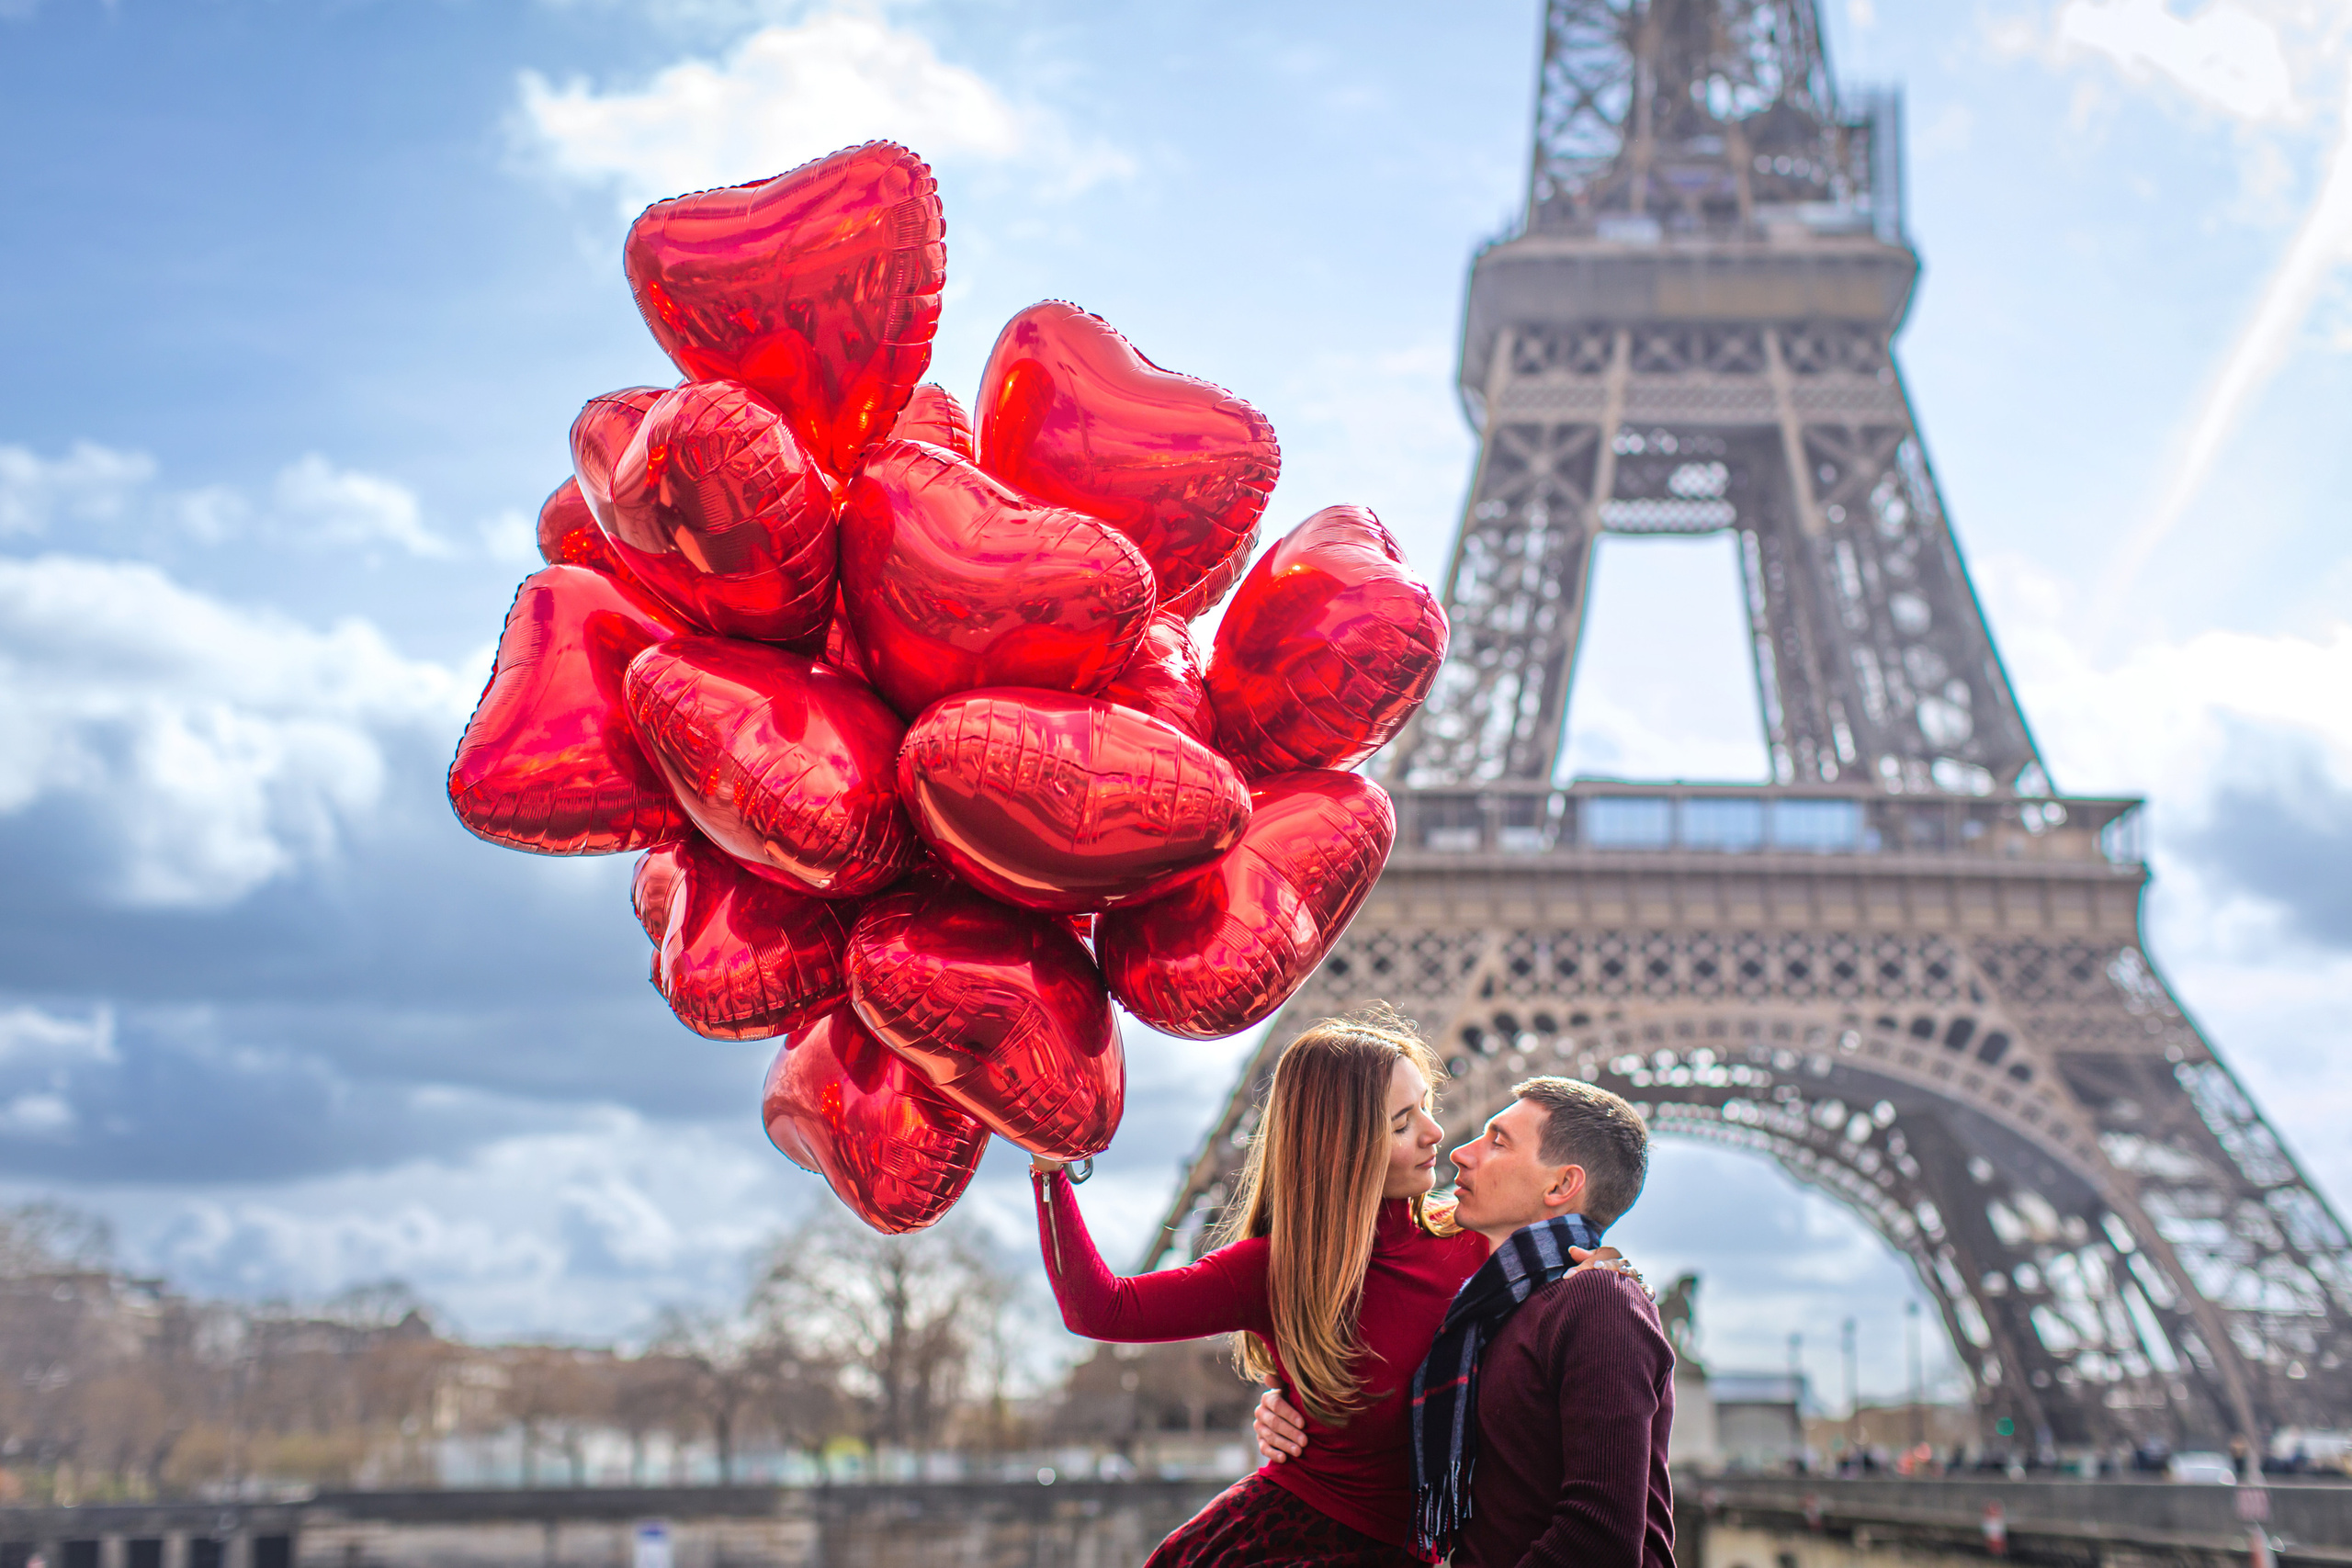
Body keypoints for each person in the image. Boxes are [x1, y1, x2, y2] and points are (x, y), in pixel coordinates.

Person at [1027, 1009, 1625, 1566]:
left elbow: (1574, 1281)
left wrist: (1610, 1278)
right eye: (1402, 1122)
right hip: (1279, 1545)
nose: (1436, 1131)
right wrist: (1049, 1164)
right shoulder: (1278, 1269)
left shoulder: (1480, 1242)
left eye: (1427, 1105)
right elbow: (1100, 1306)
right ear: (1348, 1145)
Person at [1253, 1076, 1674, 1568]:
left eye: (1498, 1141)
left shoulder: (1598, 1298)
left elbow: (1599, 1542)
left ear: (1561, 1185)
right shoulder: (1493, 1307)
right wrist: (1297, 1408)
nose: (1460, 1152)